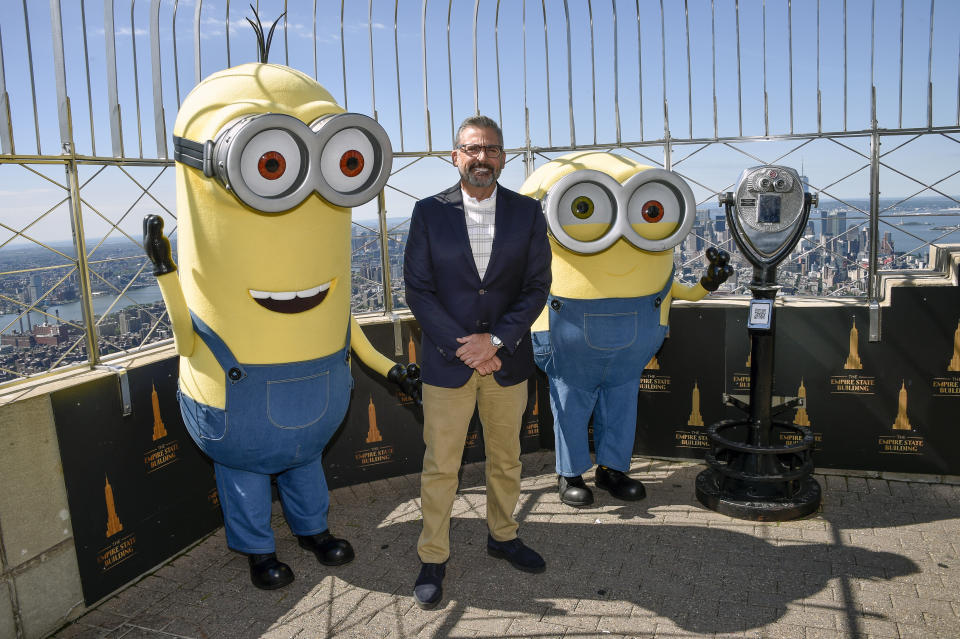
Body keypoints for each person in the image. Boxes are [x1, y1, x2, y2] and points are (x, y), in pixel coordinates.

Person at [403, 115, 552, 609]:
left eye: (490, 149)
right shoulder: (428, 212)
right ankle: (433, 555)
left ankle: (503, 536)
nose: (481, 158)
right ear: (455, 156)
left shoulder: (528, 213)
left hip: (505, 361)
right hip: (450, 363)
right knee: (441, 466)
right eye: (471, 149)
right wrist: (464, 345)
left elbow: (536, 287)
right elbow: (418, 291)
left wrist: (497, 340)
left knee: (506, 459)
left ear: (503, 156)